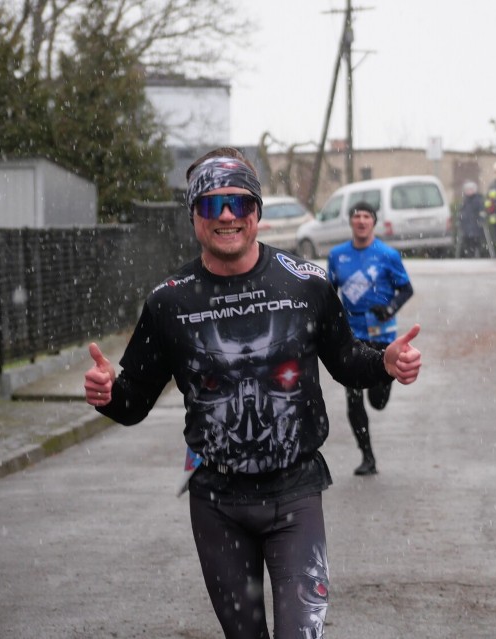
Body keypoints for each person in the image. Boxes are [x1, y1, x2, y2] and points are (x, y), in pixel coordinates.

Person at [82, 147, 422, 638]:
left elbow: (347, 361)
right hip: (218, 504)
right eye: (211, 204)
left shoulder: (307, 284)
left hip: (296, 494)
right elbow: (133, 401)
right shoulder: (169, 302)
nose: (226, 215)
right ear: (194, 216)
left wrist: (385, 361)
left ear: (257, 213)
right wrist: (107, 392)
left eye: (239, 203)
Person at [326, 201, 414, 475]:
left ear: (373, 222)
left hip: (382, 337)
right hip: (351, 337)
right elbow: (328, 293)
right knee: (353, 398)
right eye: (356, 216)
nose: (361, 221)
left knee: (377, 401)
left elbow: (406, 289)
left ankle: (383, 389)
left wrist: (388, 309)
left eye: (366, 216)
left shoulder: (387, 255)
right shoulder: (337, 255)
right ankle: (367, 457)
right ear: (351, 222)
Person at [456, 180, 487, 258]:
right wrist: (460, 219)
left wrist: (481, 219)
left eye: (470, 189)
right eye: (467, 190)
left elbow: (482, 211)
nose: (468, 191)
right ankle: (470, 256)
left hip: (476, 227)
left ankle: (477, 255)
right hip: (467, 227)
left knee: (476, 242)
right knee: (468, 243)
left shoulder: (478, 200)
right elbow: (461, 212)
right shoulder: (465, 201)